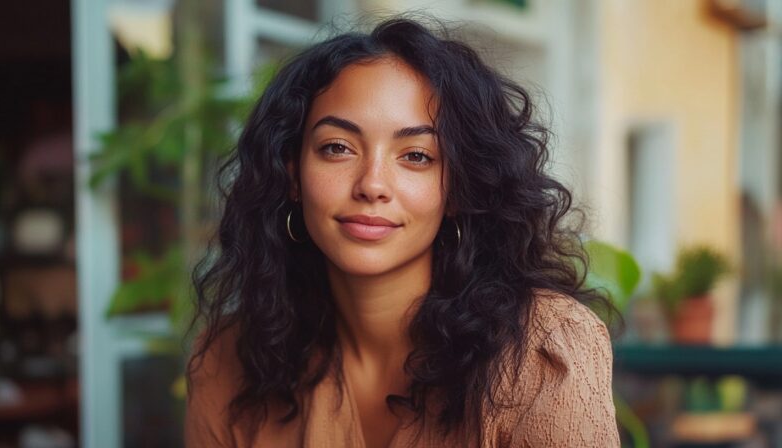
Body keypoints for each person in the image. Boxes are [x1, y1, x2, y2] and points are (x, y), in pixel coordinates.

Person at [185, 16, 621, 448]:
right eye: (337, 148)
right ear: (293, 175)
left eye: (416, 155)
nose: (372, 185)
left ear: (457, 189)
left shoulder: (541, 350)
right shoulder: (227, 360)